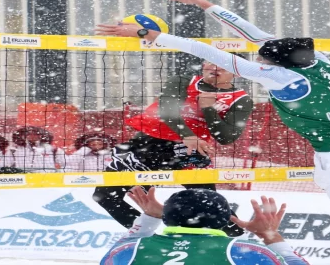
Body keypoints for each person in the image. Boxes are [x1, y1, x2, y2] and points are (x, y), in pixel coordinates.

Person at [95, 0, 330, 265]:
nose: (260, 63)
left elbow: (208, 52)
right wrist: (204, 4)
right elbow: (253, 34)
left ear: (275, 65)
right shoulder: (316, 59)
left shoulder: (281, 78)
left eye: (264, 62)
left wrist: (149, 35)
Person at [93, 56, 253, 235]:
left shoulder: (240, 99)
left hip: (189, 152)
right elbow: (167, 110)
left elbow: (225, 137)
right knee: (105, 196)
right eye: (211, 61)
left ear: (238, 72)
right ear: (204, 64)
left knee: (209, 204)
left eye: (224, 65)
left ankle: (238, 239)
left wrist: (209, 108)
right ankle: (148, 238)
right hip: (147, 145)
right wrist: (188, 135)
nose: (216, 67)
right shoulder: (183, 80)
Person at [100, 187, 309, 265]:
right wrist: (270, 235)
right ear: (225, 219)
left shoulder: (129, 251)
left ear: (167, 217)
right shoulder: (245, 252)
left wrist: (148, 219)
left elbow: (111, 255)